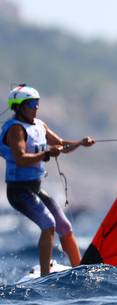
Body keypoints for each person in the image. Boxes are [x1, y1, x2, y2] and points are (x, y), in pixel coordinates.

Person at [0, 84, 95, 276]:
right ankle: (45, 276)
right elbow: (20, 158)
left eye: (38, 103)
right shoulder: (15, 129)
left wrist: (80, 143)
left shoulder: (39, 125)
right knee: (48, 224)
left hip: (35, 189)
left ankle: (80, 270)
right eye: (32, 104)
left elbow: (61, 145)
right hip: (18, 191)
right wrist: (46, 154)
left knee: (65, 227)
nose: (36, 107)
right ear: (19, 107)